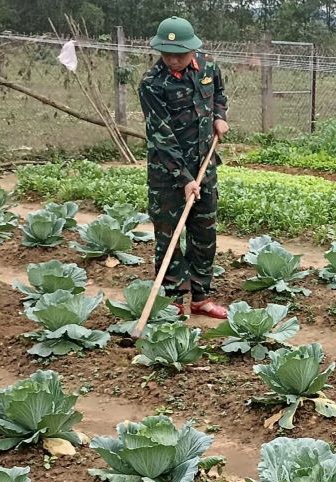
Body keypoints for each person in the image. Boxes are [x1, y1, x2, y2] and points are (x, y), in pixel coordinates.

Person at [138, 16, 229, 319]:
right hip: (168, 174)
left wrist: (218, 116)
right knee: (170, 236)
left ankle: (202, 298)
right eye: (168, 54)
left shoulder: (208, 68)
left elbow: (219, 94)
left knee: (204, 232)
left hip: (205, 165)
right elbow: (161, 137)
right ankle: (175, 301)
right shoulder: (152, 84)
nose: (174, 60)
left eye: (181, 54)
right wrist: (184, 178)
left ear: (193, 49)